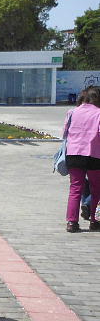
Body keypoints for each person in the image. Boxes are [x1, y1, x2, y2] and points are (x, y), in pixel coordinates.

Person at [63, 86, 100, 233]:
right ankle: (95, 221)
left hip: (74, 154)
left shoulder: (72, 112)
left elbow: (65, 133)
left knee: (75, 189)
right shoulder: (99, 113)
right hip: (94, 155)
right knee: (96, 189)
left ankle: (72, 222)